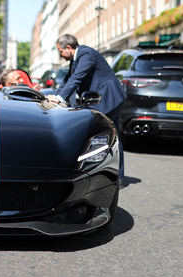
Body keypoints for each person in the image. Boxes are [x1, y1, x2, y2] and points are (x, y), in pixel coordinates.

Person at [46, 34, 128, 186]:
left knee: (96, 133)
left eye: (60, 51)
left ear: (68, 48)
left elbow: (76, 79)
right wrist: (55, 95)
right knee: (113, 135)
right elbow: (68, 81)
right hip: (108, 99)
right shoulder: (76, 59)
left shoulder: (86, 54)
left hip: (110, 97)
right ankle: (117, 176)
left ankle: (100, 176)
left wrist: (60, 98)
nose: (60, 55)